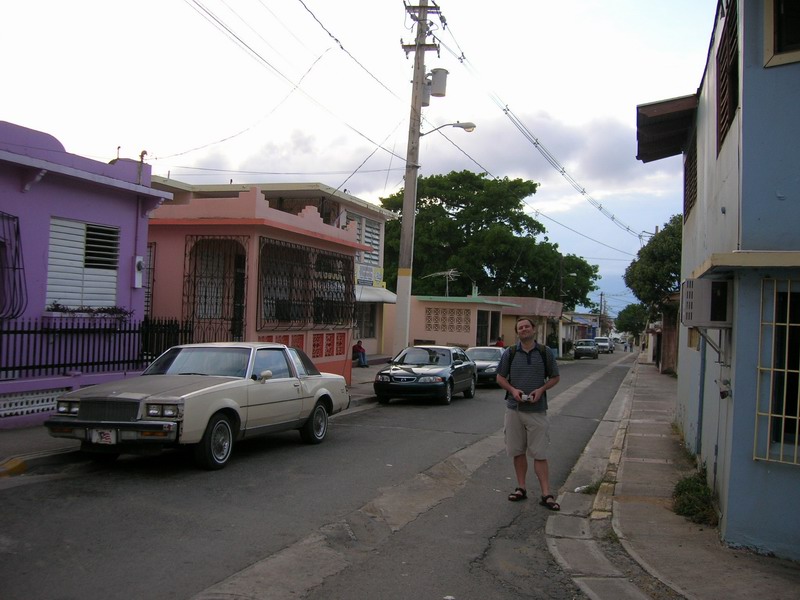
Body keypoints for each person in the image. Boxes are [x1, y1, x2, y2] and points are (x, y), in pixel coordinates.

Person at [495, 317, 561, 510]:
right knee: (517, 451)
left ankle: (546, 494)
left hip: (537, 410)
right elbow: (500, 377)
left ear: (534, 329)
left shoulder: (544, 352)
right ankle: (521, 488)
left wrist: (541, 390)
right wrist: (513, 391)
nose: (524, 330)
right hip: (514, 409)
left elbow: (555, 377)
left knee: (539, 453)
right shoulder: (511, 353)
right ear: (517, 332)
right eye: (520, 328)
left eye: (526, 327)